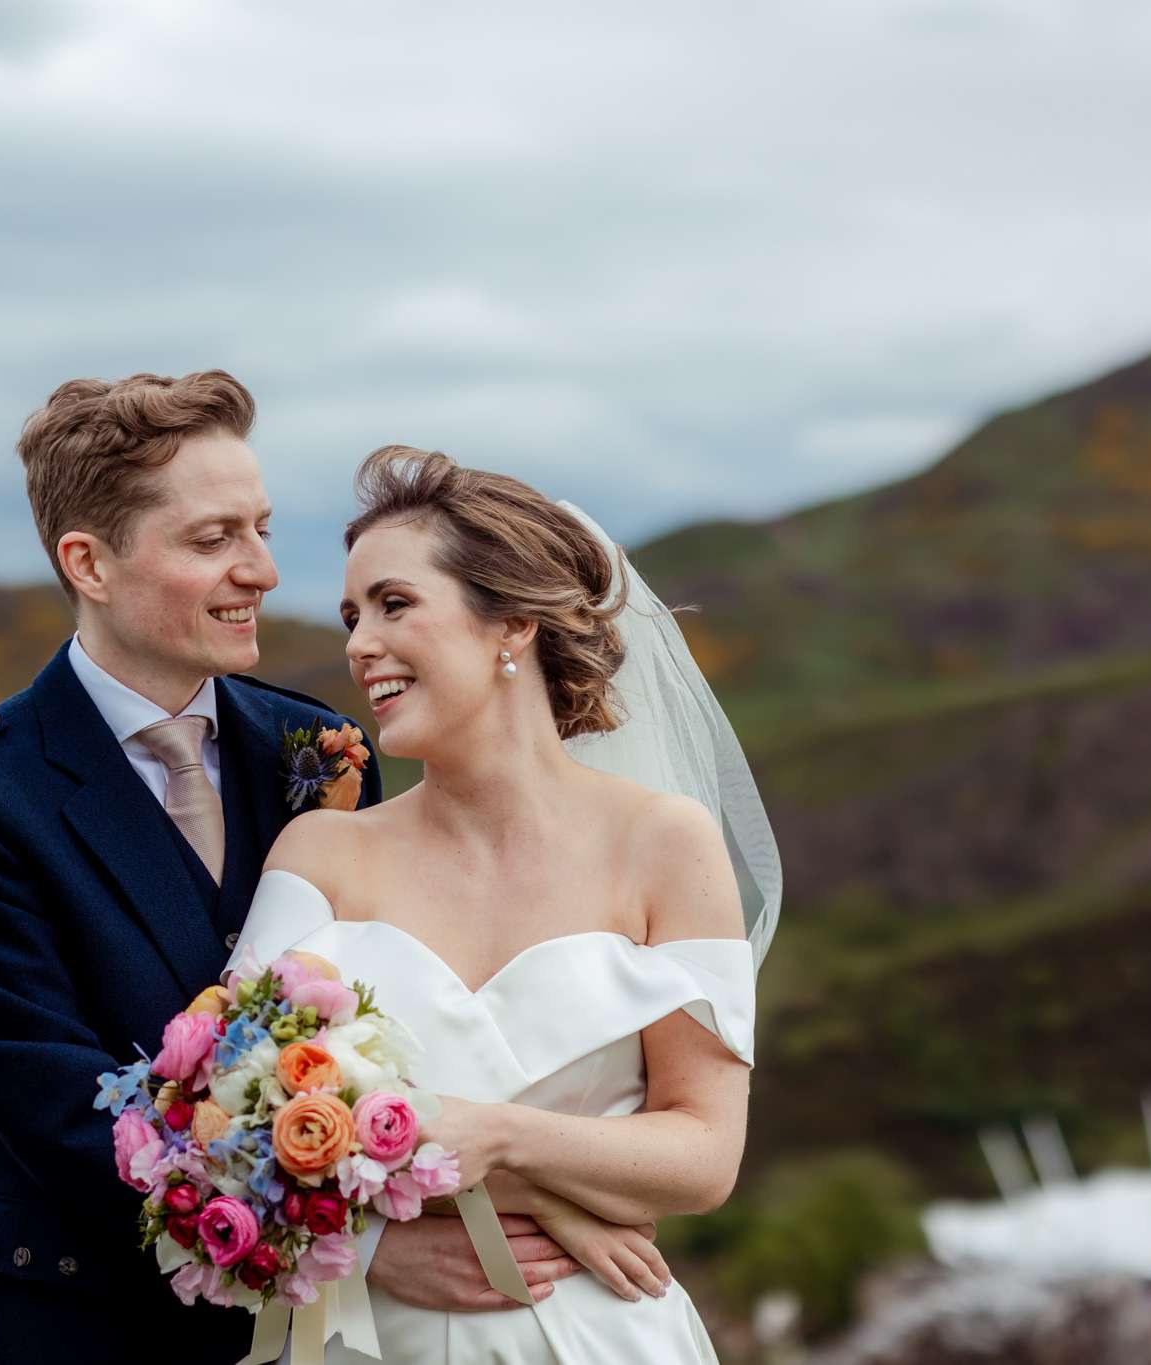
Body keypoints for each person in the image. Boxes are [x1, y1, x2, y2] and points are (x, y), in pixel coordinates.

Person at [0, 378, 656, 1362]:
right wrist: (354, 1242)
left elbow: (398, 1038)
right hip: (89, 1331)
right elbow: (61, 1111)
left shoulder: (314, 746)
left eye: (262, 528)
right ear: (89, 563)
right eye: (213, 541)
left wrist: (526, 1198)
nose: (263, 572)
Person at [233, 445, 783, 1362]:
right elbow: (226, 1120)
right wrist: (380, 1245)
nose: (359, 642)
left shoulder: (664, 842)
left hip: (596, 1330)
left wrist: (500, 1141)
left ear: (512, 626)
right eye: (350, 615)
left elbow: (703, 1155)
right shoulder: (321, 853)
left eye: (394, 603)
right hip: (372, 1336)